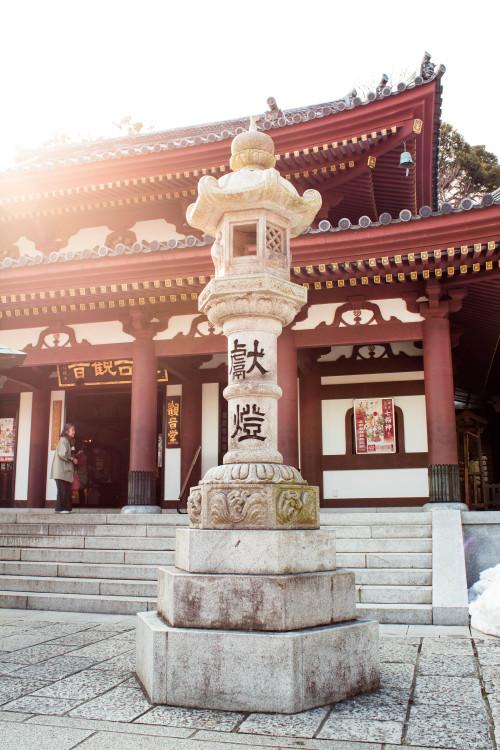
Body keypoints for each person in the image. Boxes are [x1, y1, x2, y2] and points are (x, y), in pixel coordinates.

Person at [50, 423, 78, 513]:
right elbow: (62, 454)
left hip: (64, 471)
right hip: (61, 471)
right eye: (72, 430)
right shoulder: (64, 440)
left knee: (65, 490)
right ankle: (61, 509)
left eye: (74, 430)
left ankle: (65, 509)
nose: (74, 432)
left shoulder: (68, 441)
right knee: (63, 490)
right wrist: (72, 458)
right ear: (67, 431)